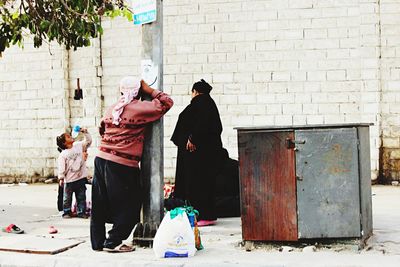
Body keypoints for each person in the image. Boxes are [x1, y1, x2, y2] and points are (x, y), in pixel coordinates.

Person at [90, 77, 173, 252]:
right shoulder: (139, 108)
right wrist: (150, 91)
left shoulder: (111, 109)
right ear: (138, 91)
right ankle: (113, 241)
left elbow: (101, 130)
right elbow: (166, 102)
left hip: (101, 159)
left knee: (99, 202)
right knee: (131, 205)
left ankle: (97, 243)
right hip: (122, 164)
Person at [171, 79, 224, 227]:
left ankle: (201, 215)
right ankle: (207, 214)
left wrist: (193, 139)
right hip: (206, 156)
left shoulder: (200, 104)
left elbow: (201, 125)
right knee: (205, 185)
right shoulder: (210, 104)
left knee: (196, 185)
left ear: (195, 92)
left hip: (196, 156)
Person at [56, 128, 92, 218]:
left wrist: (85, 132)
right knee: (67, 198)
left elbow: (88, 142)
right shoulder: (63, 154)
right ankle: (67, 212)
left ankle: (81, 212)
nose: (71, 136)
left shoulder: (78, 145)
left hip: (80, 178)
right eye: (68, 137)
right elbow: (61, 167)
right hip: (69, 180)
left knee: (81, 197)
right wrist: (61, 178)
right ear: (64, 143)